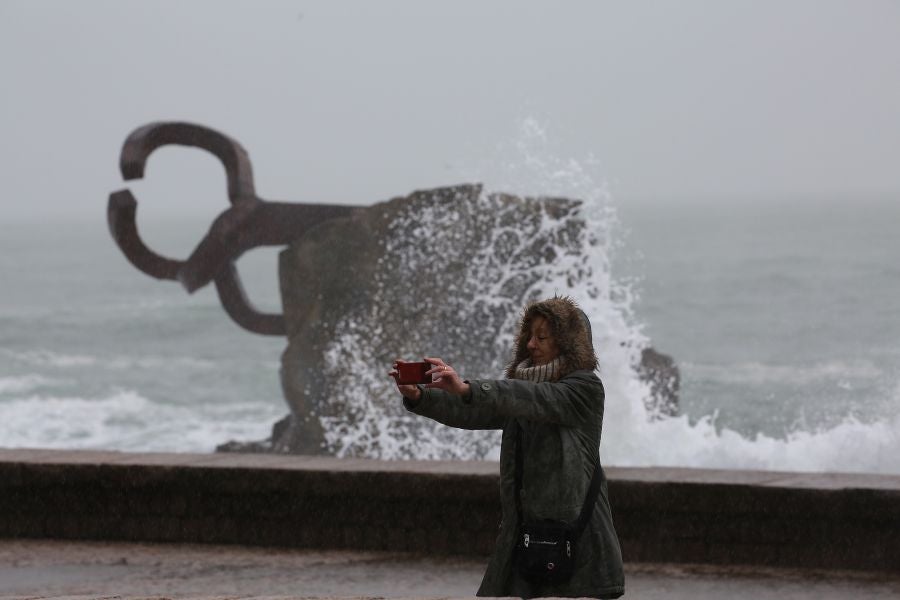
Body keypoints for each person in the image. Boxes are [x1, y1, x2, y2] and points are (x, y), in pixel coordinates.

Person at [389, 296, 625, 599]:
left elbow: (534, 399)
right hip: (530, 537)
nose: (530, 344)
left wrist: (468, 387)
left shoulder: (584, 390)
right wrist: (421, 397)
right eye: (530, 335)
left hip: (582, 542)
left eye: (542, 337)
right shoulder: (521, 389)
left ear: (567, 343)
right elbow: (475, 410)